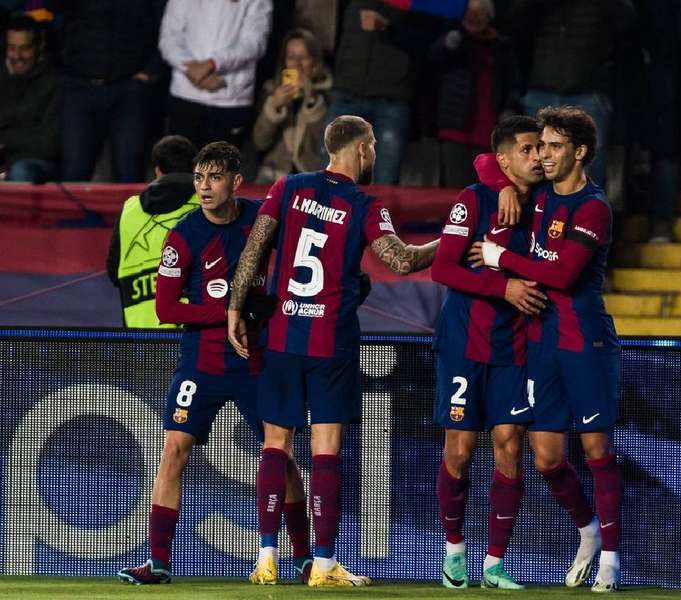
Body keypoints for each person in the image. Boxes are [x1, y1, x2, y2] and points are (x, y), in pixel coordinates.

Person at [226, 115, 438, 587]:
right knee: (326, 450)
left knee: (275, 444)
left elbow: (254, 250)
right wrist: (451, 242)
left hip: (282, 336)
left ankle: (265, 556)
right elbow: (400, 259)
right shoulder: (363, 203)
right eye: (373, 150)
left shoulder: (288, 187)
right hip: (330, 342)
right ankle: (322, 563)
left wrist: (235, 308)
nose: (374, 158)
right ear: (361, 150)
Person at [117, 142, 311, 585]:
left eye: (214, 178)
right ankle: (159, 563)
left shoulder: (263, 220)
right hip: (201, 363)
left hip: (256, 362)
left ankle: (302, 557)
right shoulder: (184, 235)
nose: (204, 187)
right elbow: (167, 308)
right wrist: (229, 313)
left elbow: (308, 251)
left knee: (282, 458)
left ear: (236, 182)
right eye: (199, 178)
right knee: (173, 452)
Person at [471, 106, 623, 592]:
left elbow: (561, 275)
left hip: (584, 340)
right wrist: (500, 187)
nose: (544, 156)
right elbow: (483, 160)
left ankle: (612, 563)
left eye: (555, 146)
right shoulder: (536, 195)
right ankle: (588, 532)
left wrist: (501, 257)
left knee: (597, 448)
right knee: (548, 458)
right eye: (539, 146)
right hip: (541, 341)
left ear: (579, 152)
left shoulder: (594, 206)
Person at [430, 116, 546, 589]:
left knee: (510, 445)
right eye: (527, 149)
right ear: (503, 159)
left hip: (514, 346)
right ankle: (453, 551)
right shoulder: (474, 199)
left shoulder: (547, 202)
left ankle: (495, 563)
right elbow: (442, 269)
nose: (538, 156)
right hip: (463, 344)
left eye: (541, 147)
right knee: (460, 449)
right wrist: (504, 287)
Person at [506, 0, 635, 190]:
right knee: (534, 168)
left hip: (587, 94)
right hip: (542, 92)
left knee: (588, 167)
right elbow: (512, 24)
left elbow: (629, 24)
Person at [323, 0, 437, 184]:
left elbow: (427, 41)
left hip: (391, 98)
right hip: (347, 91)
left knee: (385, 179)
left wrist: (387, 28)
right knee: (332, 177)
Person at [57, 1, 166, 183]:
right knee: (74, 170)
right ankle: (71, 213)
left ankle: (131, 212)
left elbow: (166, 26)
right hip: (79, 85)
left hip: (129, 89)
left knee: (129, 171)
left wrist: (151, 70)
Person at [106, 135, 199, 328]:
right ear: (194, 167)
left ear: (157, 171)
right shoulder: (207, 205)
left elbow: (114, 272)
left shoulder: (130, 210)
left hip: (142, 339)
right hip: (194, 338)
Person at [427, 0, 520, 188]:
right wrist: (449, 43)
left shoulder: (502, 46)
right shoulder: (454, 40)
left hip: (490, 134)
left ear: (489, 16)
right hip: (455, 131)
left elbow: (514, 84)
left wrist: (509, 109)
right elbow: (432, 61)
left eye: (479, 13)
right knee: (455, 194)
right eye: (469, 12)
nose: (473, 17)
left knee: (487, 193)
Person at [159, 0, 272, 150]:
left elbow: (254, 43)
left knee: (220, 170)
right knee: (180, 169)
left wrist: (213, 63)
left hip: (230, 98)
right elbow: (169, 37)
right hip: (185, 94)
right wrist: (188, 67)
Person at [253, 28, 333, 184]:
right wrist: (273, 108)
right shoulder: (271, 90)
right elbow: (260, 142)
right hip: (273, 173)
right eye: (291, 57)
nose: (297, 64)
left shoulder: (327, 94)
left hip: (309, 177)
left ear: (315, 62)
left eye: (304, 57)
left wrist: (312, 101)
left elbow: (325, 148)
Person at [0, 14, 59, 183]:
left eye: (25, 48)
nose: (17, 56)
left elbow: (50, 144)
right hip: (3, 162)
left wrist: (6, 142)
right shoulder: (2, 77)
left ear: (39, 46)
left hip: (35, 163)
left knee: (21, 171)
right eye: (12, 48)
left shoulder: (53, 82)